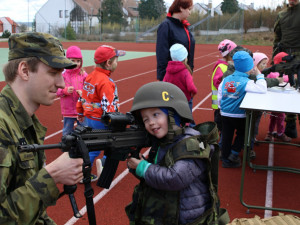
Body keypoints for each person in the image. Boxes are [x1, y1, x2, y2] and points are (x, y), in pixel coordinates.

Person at [0, 32, 83, 224]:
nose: (62, 83)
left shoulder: (23, 122)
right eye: (53, 73)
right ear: (25, 71)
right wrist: (52, 175)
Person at [125, 81, 223, 224]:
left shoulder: (191, 145)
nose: (151, 122)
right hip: (170, 214)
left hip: (188, 219)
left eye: (156, 114)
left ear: (174, 114)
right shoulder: (163, 143)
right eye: (146, 119)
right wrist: (137, 166)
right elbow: (156, 174)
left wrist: (143, 168)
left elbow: (174, 179)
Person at [77, 45, 126, 182]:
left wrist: (80, 111)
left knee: (92, 145)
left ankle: (82, 173)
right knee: (112, 143)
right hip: (102, 120)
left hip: (90, 117)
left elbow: (83, 97)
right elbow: (108, 106)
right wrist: (115, 122)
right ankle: (103, 164)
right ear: (108, 63)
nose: (117, 63)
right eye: (116, 60)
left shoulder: (90, 77)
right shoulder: (106, 82)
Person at [218, 51, 267, 168]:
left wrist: (222, 108)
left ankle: (225, 158)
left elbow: (220, 95)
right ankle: (234, 154)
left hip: (225, 114)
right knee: (243, 133)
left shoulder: (226, 79)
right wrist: (259, 74)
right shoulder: (247, 82)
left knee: (226, 136)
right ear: (249, 68)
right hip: (239, 115)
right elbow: (262, 88)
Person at [273, 0, 300, 138]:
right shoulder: (282, 14)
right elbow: (277, 38)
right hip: (284, 57)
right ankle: (290, 124)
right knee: (286, 88)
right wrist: (274, 57)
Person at [156, 0, 195, 81]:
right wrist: (164, 78)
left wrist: (190, 71)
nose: (190, 13)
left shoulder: (185, 27)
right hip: (172, 78)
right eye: (189, 9)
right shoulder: (166, 26)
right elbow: (161, 55)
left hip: (184, 74)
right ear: (181, 8)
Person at [56, 46, 88, 136]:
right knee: (67, 131)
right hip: (68, 111)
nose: (76, 63)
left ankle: (83, 146)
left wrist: (83, 92)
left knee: (84, 130)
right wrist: (65, 90)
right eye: (73, 61)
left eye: (78, 61)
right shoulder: (63, 75)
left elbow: (89, 89)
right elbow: (56, 91)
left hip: (81, 110)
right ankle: (67, 148)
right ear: (67, 60)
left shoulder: (83, 75)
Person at [264, 52, 292, 142]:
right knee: (281, 117)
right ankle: (280, 133)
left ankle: (270, 132)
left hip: (272, 100)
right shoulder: (286, 75)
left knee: (273, 117)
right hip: (281, 101)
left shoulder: (270, 73)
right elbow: (290, 83)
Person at [163, 43, 197, 113]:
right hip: (185, 100)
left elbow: (164, 84)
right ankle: (188, 123)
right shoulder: (185, 72)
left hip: (172, 100)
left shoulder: (168, 71)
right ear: (184, 58)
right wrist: (194, 92)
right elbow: (191, 87)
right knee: (187, 115)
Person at [212, 39, 237, 135]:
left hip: (226, 103)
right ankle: (217, 142)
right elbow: (217, 83)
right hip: (220, 104)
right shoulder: (221, 67)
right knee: (220, 125)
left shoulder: (229, 66)